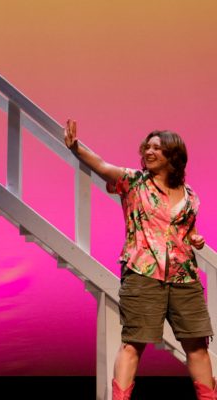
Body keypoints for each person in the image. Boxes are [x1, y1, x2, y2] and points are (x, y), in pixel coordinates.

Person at [64, 119, 215, 400]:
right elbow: (101, 165)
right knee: (133, 344)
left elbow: (187, 230)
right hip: (143, 272)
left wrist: (196, 239)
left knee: (197, 345)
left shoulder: (191, 196)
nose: (149, 151)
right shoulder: (133, 182)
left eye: (157, 147)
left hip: (184, 277)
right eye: (148, 146)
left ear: (173, 155)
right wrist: (76, 149)